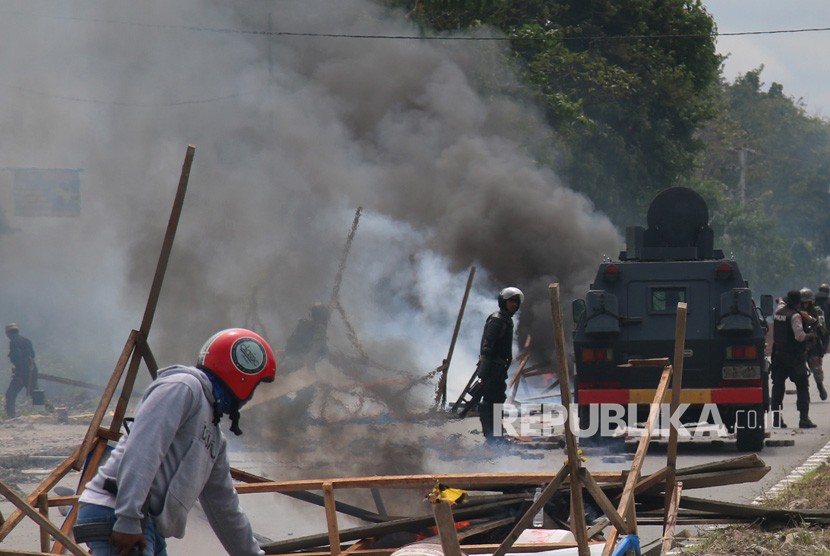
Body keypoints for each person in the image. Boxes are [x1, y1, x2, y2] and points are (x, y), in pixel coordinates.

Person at [75, 328, 276, 556]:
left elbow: (224, 507)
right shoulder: (183, 387)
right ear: (242, 376)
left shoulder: (214, 436)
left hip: (145, 523)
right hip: (118, 512)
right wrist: (128, 518)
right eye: (256, 385)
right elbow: (144, 449)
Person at [476, 286, 523, 443]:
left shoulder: (505, 320)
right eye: (511, 302)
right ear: (503, 302)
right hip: (492, 369)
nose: (514, 305)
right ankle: (491, 438)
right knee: (489, 403)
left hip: (498, 369)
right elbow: (487, 346)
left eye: (516, 302)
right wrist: (485, 372)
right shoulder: (497, 319)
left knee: (497, 401)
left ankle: (496, 436)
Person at [771, 291, 817, 429]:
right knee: (802, 386)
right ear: (799, 301)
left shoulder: (779, 312)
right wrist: (811, 335)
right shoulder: (795, 316)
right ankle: (804, 418)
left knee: (778, 387)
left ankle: (776, 419)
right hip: (794, 356)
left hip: (779, 355)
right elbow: (800, 336)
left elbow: (780, 303)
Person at [4, 323, 38, 418]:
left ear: (8, 333)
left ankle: (11, 417)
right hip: (32, 370)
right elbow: (32, 355)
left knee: (10, 395)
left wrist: (19, 376)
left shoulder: (14, 342)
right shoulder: (26, 340)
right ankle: (47, 413)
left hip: (23, 373)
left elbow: (19, 361)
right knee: (36, 395)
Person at [800, 287, 828, 400]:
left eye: (807, 302)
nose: (805, 304)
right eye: (803, 302)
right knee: (800, 372)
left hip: (814, 344)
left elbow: (823, 327)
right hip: (800, 344)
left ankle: (820, 386)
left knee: (817, 370)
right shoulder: (797, 311)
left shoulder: (817, 311)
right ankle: (804, 393)